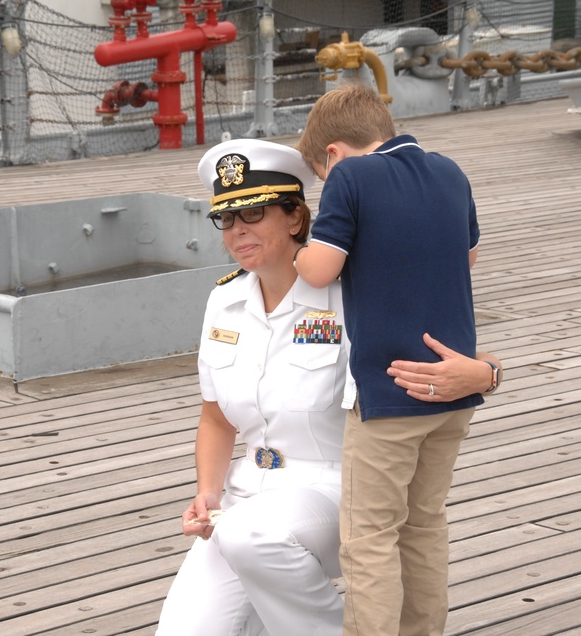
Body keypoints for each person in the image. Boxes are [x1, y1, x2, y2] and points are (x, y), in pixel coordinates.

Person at [155, 137, 501, 636]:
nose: (237, 231)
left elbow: (448, 357)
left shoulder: (352, 292)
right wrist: (207, 493)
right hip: (246, 497)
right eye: (226, 219)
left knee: (253, 537)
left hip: (339, 491)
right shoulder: (224, 302)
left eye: (253, 214)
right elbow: (215, 417)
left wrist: (488, 373)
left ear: (295, 217)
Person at [294, 83, 500, 636]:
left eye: (321, 173)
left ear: (333, 154)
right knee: (424, 524)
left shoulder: (350, 179)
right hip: (454, 389)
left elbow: (319, 269)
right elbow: (468, 256)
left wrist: (299, 248)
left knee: (369, 537)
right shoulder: (449, 171)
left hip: (390, 394)